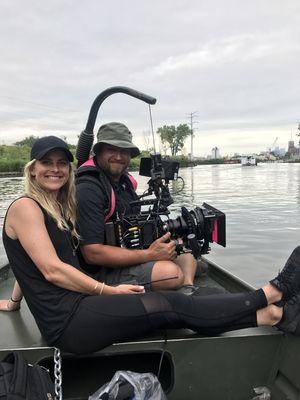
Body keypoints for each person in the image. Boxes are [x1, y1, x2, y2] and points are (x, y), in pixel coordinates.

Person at [1, 135, 300, 355]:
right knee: (173, 304)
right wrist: (109, 290)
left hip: (80, 305)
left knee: (177, 308)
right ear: (31, 170)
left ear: (69, 170)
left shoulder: (54, 208)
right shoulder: (26, 207)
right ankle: (271, 292)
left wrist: (14, 303)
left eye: (62, 164)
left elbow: (26, 263)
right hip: (67, 323)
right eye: (46, 163)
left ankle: (272, 315)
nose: (55, 169)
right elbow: (51, 270)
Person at [76, 122, 197, 293]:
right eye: (111, 149)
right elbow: (92, 254)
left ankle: (188, 288)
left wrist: (162, 242)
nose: (118, 156)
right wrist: (150, 255)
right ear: (99, 151)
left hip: (130, 252)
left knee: (183, 248)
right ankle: (181, 281)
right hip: (99, 271)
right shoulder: (88, 189)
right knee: (172, 274)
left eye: (124, 151)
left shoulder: (124, 182)